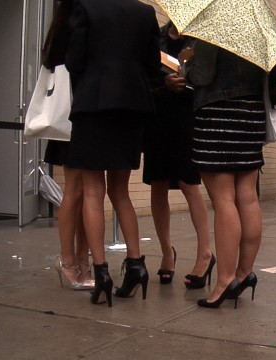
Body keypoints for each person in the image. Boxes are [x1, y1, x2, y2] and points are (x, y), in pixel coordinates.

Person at [65, 0, 161, 306]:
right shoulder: (146, 13)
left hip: (93, 103)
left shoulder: (87, 8)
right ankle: (136, 264)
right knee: (121, 192)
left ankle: (101, 272)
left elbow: (73, 61)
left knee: (93, 192)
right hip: (131, 105)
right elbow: (152, 66)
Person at [183, 38, 267, 309]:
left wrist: (188, 61)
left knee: (223, 200)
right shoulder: (258, 32)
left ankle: (224, 281)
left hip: (219, 113)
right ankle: (244, 273)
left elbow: (203, 75)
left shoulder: (215, 30)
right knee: (248, 197)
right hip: (252, 114)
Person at [142, 21, 213, 288]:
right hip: (158, 116)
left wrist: (188, 79)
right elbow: (142, 73)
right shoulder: (154, 36)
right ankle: (166, 253)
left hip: (187, 116)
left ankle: (205, 254)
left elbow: (208, 76)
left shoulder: (199, 39)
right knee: (158, 183)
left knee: (189, 183)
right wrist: (163, 81)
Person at [42, 0, 93, 291]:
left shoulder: (60, 23)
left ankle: (77, 260)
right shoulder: (77, 21)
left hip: (71, 116)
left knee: (82, 191)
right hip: (76, 115)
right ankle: (72, 261)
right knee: (78, 190)